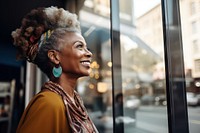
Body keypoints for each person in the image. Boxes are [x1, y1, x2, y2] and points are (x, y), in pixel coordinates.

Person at [11, 6, 98, 133]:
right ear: (54, 57)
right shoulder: (48, 104)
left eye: (87, 48)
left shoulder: (75, 101)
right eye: (79, 46)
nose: (89, 53)